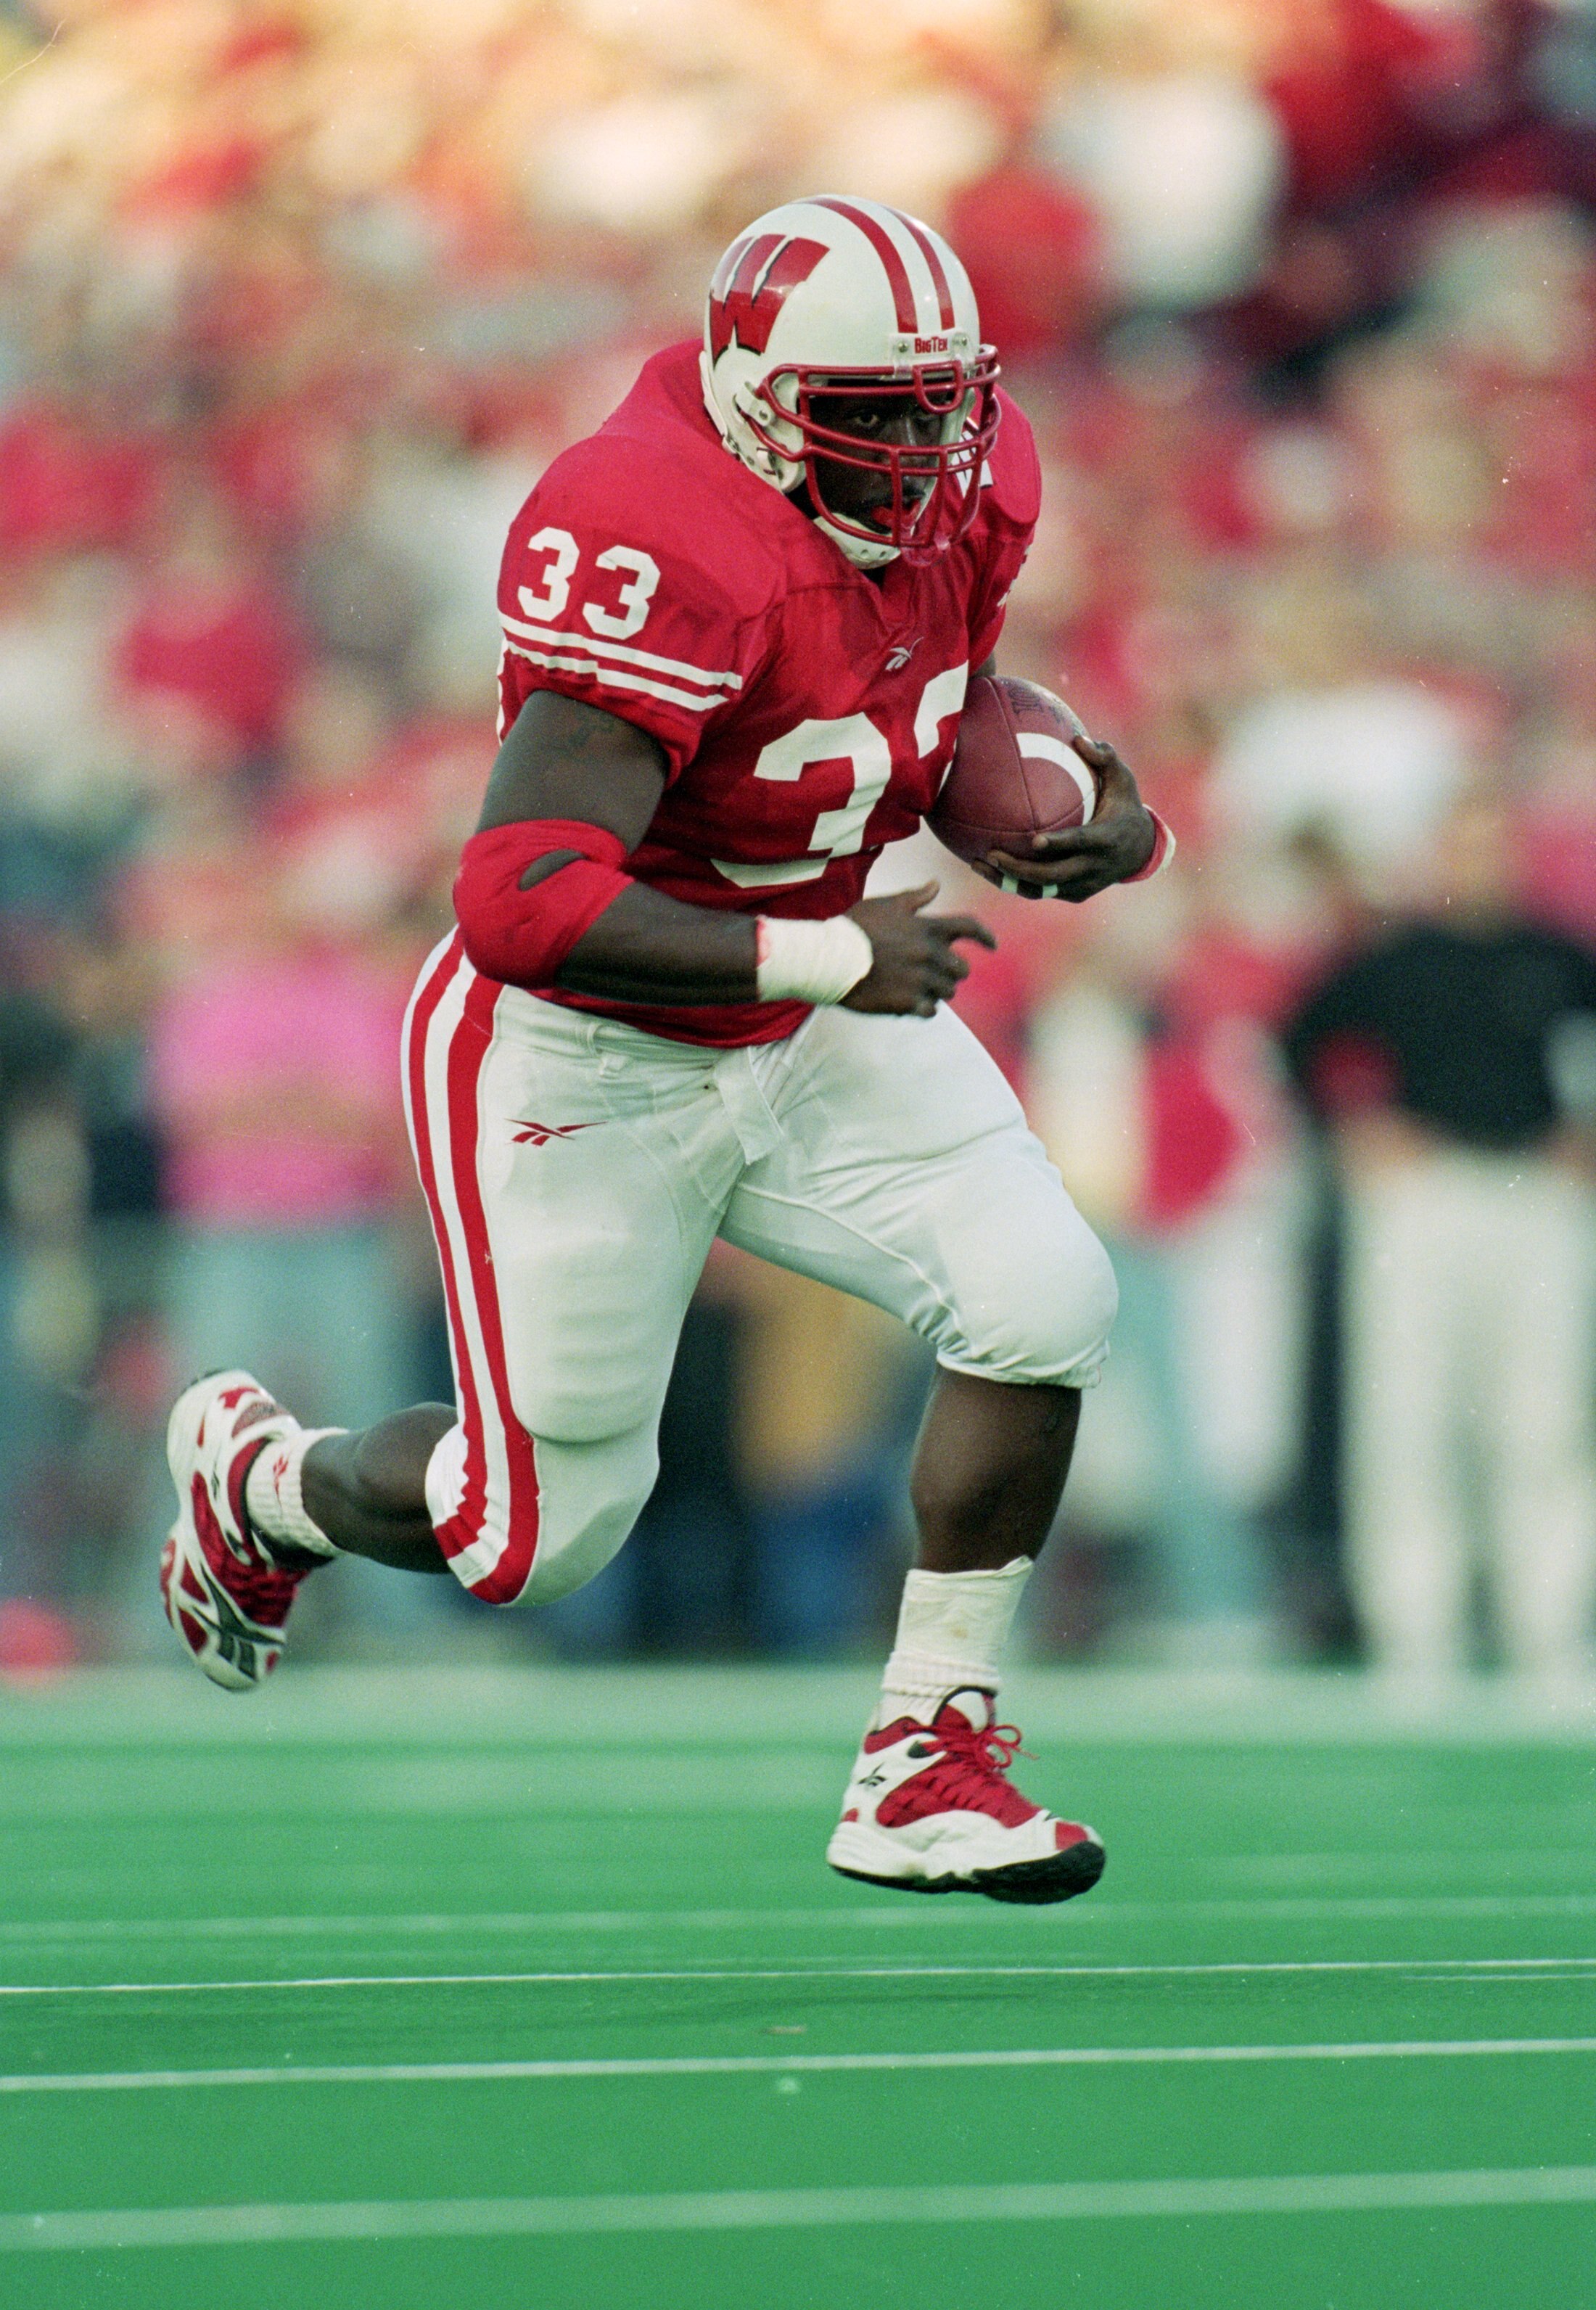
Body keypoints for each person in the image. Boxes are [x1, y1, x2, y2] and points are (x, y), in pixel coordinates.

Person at [159, 198, 1172, 1904]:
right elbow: (522, 893)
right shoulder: (649, 526)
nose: (927, 452)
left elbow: (928, 690)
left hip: (816, 1009)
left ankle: (927, 1755)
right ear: (759, 394)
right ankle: (265, 1482)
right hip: (586, 1047)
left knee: (1045, 1296)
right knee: (534, 1539)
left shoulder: (966, 485)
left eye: (946, 404)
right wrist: (835, 946)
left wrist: (1086, 806)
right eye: (877, 413)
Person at [1284, 792, 1596, 1683]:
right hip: (1422, 1197)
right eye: (1463, 845)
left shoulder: (1559, 955)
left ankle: (1550, 1625)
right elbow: (1299, 1041)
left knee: (1545, 1414)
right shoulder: (1393, 959)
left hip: (1536, 1194)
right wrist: (1355, 1128)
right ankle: (1414, 1627)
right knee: (1406, 1410)